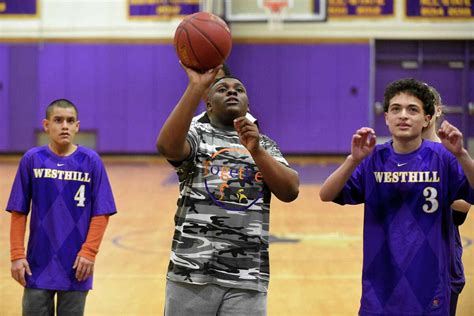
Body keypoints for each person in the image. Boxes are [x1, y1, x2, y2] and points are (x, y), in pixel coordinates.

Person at [319, 78, 474, 315]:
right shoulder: (373, 158)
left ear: (427, 118)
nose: (403, 115)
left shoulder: (443, 157)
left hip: (430, 286)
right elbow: (326, 194)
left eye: (413, 110)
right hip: (380, 288)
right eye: (396, 109)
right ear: (386, 118)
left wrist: (462, 154)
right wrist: (353, 159)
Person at [156, 63, 299, 315]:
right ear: (208, 104)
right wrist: (196, 86)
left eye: (239, 89)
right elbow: (167, 146)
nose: (232, 91)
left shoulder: (264, 144)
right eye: (222, 89)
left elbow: (290, 190)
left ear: (248, 105)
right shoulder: (198, 135)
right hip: (191, 271)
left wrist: (256, 150)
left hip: (247, 276)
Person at [6, 99, 117, 316]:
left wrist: (89, 252)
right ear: (46, 125)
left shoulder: (91, 161)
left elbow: (102, 212)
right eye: (58, 120)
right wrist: (17, 255)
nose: (64, 125)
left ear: (77, 126)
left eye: (70, 121)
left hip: (76, 266)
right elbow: (19, 211)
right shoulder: (32, 159)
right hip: (37, 264)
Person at [422, 86, 470, 316]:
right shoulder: (393, 155)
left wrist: (426, 187)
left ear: (437, 110)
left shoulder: (450, 152)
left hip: (442, 254)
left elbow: (464, 205)